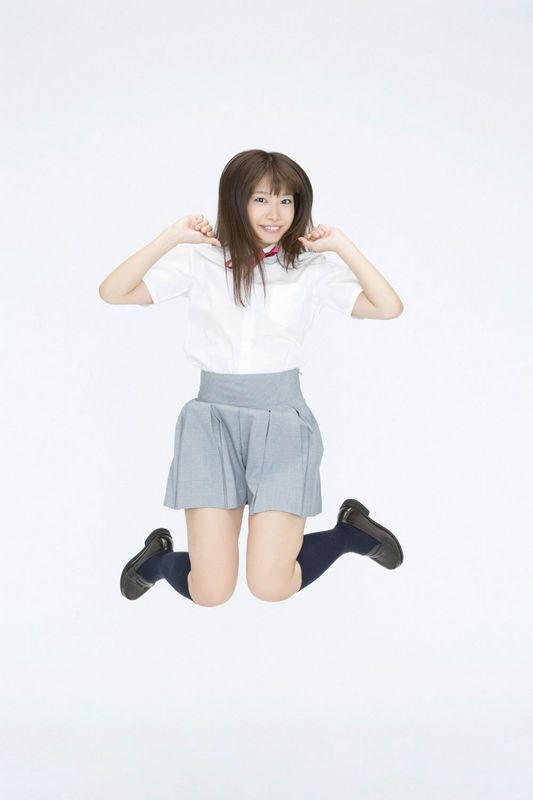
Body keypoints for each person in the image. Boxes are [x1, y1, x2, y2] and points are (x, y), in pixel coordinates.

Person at [99, 149, 405, 607]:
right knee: (211, 591)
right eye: (261, 199)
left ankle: (347, 534)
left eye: (286, 201)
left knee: (271, 585)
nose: (274, 213)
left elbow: (387, 306)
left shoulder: (308, 269)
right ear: (236, 200)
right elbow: (113, 291)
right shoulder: (201, 262)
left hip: (282, 423)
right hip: (210, 424)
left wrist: (342, 245)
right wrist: (172, 237)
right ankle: (158, 561)